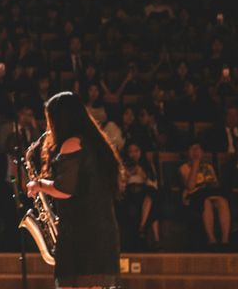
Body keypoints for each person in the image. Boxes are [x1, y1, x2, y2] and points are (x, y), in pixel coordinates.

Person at [26, 91, 122, 288]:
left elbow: (64, 189)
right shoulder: (94, 142)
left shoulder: (72, 144)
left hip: (82, 234)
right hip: (99, 231)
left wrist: (39, 185)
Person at [179, 142, 231, 248]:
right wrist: (195, 164)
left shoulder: (208, 166)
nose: (195, 152)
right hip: (194, 196)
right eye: (192, 149)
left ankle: (225, 240)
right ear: (188, 152)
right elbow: (190, 186)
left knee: (222, 201)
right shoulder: (184, 167)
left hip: (210, 193)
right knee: (205, 202)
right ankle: (211, 239)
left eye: (198, 149)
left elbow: (215, 184)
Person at [118, 141, 160, 250]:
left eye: (136, 151)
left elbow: (153, 184)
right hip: (129, 192)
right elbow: (120, 186)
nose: (133, 154)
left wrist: (142, 174)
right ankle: (154, 238)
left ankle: (142, 225)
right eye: (130, 151)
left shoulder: (147, 165)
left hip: (145, 192)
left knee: (151, 195)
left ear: (141, 152)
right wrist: (127, 175)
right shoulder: (123, 165)